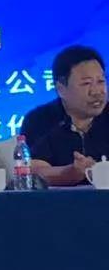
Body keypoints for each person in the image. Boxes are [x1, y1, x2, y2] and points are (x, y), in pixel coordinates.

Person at [30, 45, 109, 186]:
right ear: (61, 89)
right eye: (86, 83)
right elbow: (36, 172)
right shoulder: (39, 120)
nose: (97, 91)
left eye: (101, 81)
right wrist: (71, 173)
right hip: (59, 199)